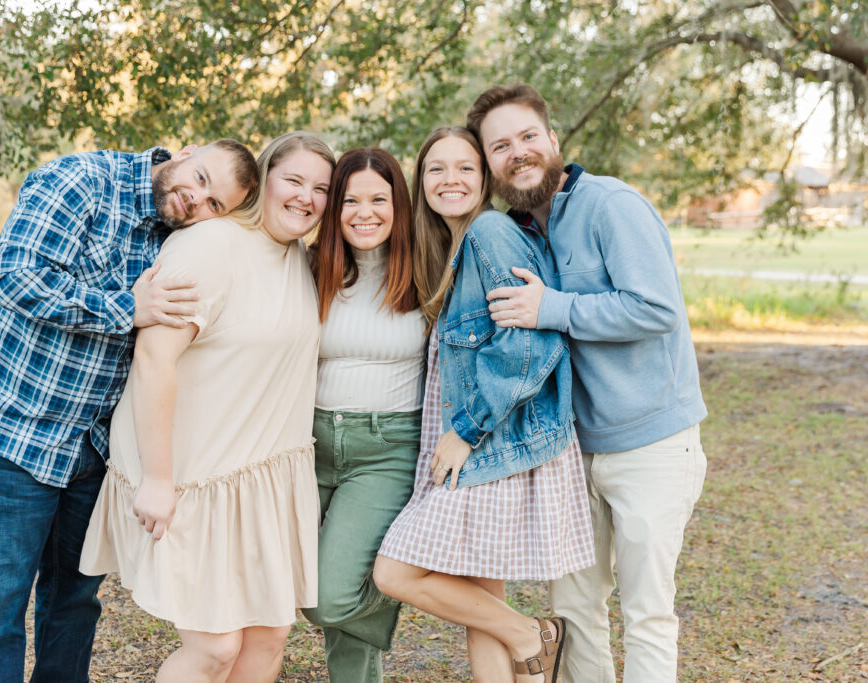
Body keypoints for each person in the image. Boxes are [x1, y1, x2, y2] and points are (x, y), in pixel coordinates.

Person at [0, 140, 259, 683]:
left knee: (74, 604)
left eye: (215, 205)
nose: (197, 201)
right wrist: (125, 308)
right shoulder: (83, 182)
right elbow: (16, 277)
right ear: (184, 152)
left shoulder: (186, 239)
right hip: (11, 431)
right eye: (201, 178)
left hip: (92, 448)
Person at [467, 83, 708, 683]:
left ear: (553, 140)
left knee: (646, 610)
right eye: (500, 146)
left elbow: (655, 310)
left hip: (650, 444)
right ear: (489, 163)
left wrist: (554, 307)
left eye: (527, 137)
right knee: (573, 607)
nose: (517, 152)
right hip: (572, 451)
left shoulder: (610, 205)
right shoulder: (521, 230)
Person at [78, 131, 335, 683]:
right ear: (263, 182)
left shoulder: (298, 258)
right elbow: (153, 359)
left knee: (267, 637)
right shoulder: (211, 245)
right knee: (215, 647)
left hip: (264, 476)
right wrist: (158, 479)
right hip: (191, 475)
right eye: (293, 181)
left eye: (320, 189)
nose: (305, 198)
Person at [372, 126, 595, 683]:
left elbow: (531, 345)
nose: (449, 180)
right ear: (419, 181)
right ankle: (524, 645)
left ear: (486, 178)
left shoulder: (490, 233)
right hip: (485, 439)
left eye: (465, 168)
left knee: (395, 573)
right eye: (435, 169)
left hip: (491, 440)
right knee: (481, 598)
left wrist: (465, 431)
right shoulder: (455, 248)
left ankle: (532, 636)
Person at [300, 147, 426, 682]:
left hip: (387, 449)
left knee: (330, 596)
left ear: (400, 204)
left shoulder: (427, 270)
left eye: (379, 198)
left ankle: (414, 587)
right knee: (297, 584)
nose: (364, 212)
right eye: (350, 200)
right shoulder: (308, 268)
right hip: (306, 441)